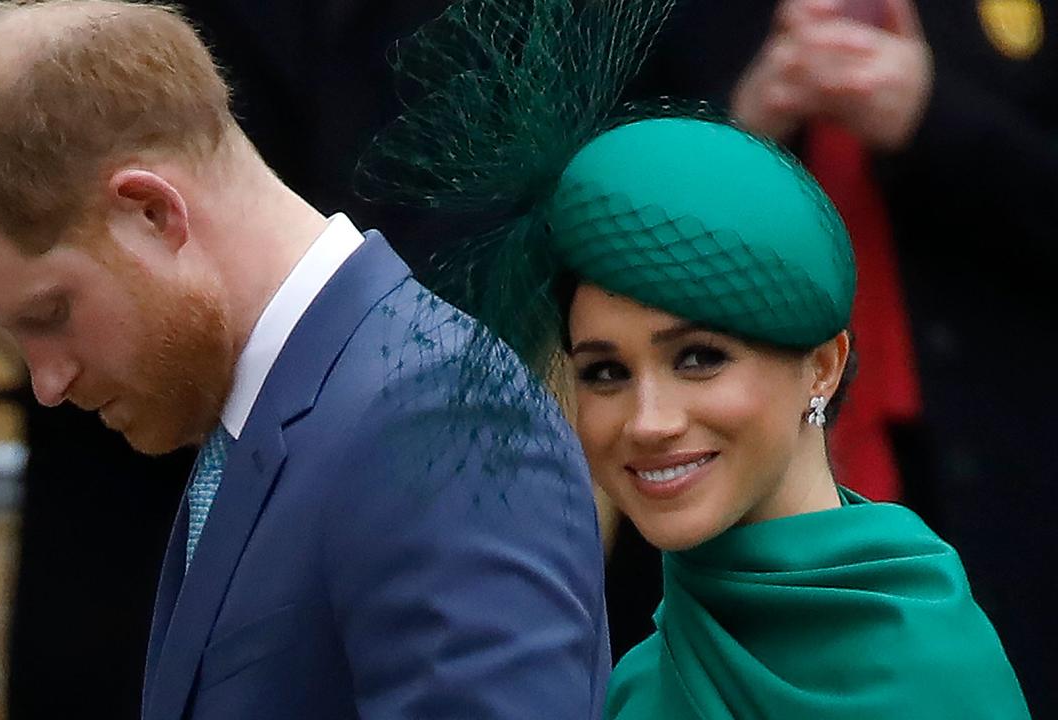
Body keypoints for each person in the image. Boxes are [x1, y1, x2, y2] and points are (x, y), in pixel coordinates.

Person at [0, 3, 610, 719]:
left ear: (152, 212)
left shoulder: (436, 420)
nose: (48, 383)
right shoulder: (276, 413)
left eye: (50, 315)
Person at [365, 0, 1031, 716]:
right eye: (605, 372)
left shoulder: (924, 671)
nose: (648, 421)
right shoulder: (635, 680)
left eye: (699, 359)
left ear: (823, 366)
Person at [620, 1, 1058, 710]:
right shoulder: (669, 18)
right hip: (718, 487)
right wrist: (734, 136)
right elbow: (562, 212)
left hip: (1008, 484)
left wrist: (935, 114)